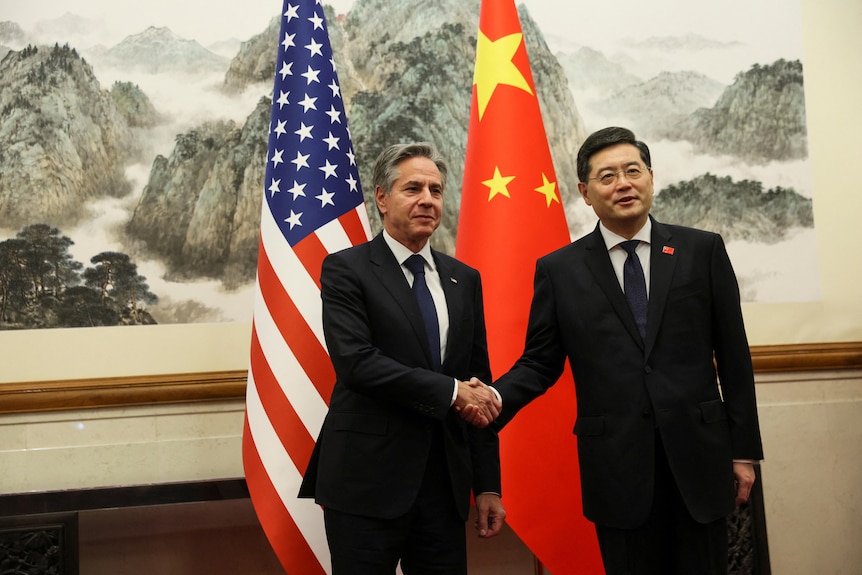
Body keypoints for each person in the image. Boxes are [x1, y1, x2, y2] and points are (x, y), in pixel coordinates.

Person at [491, 127, 764, 574]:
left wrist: (744, 451)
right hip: (616, 467)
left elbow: (734, 358)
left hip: (700, 458)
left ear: (651, 177)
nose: (623, 184)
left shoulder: (701, 250)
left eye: (632, 171)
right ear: (585, 192)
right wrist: (493, 401)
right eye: (607, 176)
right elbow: (540, 363)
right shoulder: (560, 270)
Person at [299, 142, 506, 575]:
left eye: (436, 190)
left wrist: (488, 484)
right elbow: (357, 363)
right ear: (381, 197)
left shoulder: (463, 279)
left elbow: (478, 385)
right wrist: (451, 392)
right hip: (366, 483)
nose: (427, 199)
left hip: (443, 488)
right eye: (413, 188)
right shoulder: (347, 269)